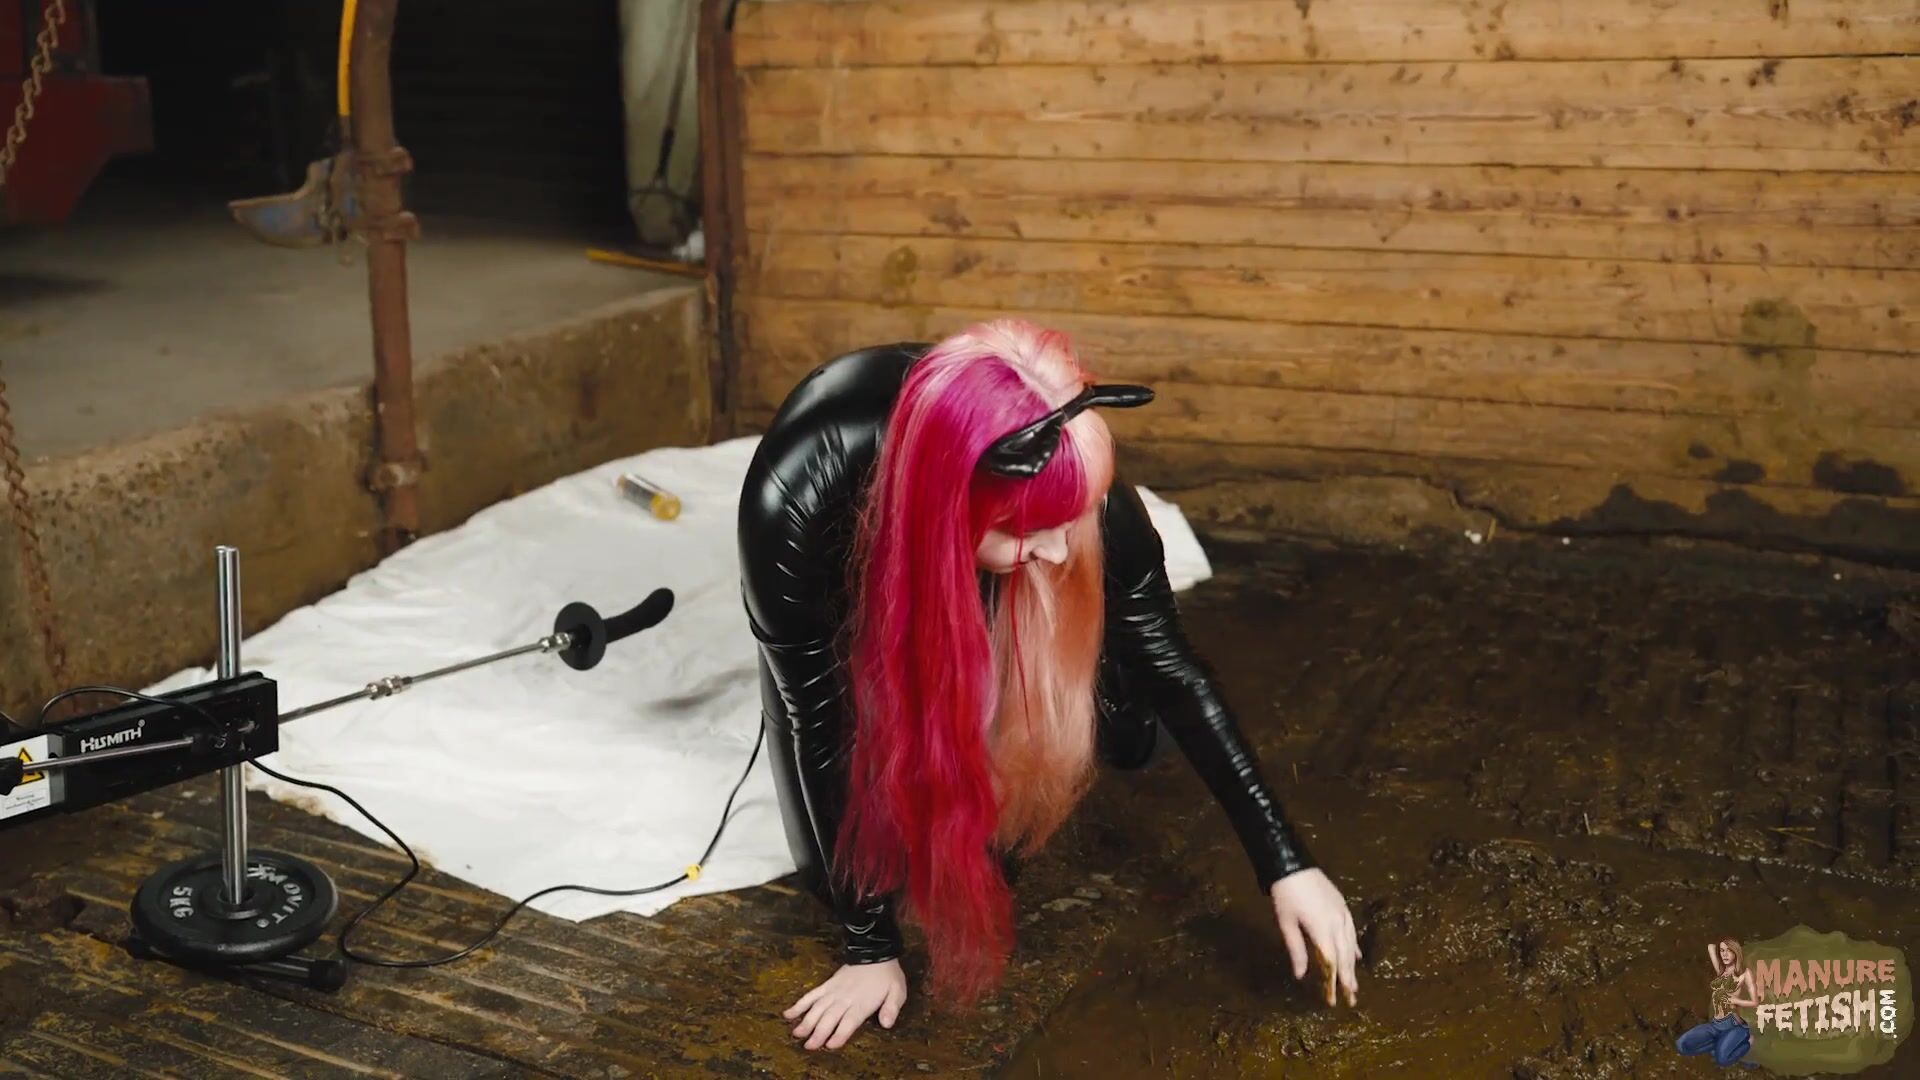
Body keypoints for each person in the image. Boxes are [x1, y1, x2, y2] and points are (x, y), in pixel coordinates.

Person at [737, 320, 1360, 1052]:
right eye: (1032, 528)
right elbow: (816, 722)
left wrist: (1286, 863)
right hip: (852, 536)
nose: (1062, 551)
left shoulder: (1068, 474)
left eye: (1068, 522)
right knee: (830, 871)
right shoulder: (793, 506)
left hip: (961, 532)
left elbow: (1172, 664)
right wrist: (869, 948)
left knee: (1128, 732)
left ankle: (1090, 689)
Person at [1675, 938, 1759, 1067]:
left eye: (1728, 951)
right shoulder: (1721, 971)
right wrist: (1722, 947)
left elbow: (1754, 1002)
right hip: (1716, 1024)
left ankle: (1747, 1043)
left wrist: (1735, 1000)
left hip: (1733, 1024)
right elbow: (1710, 947)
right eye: (1722, 951)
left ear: (1736, 952)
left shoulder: (1744, 974)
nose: (1724, 954)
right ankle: (1720, 1045)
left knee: (1722, 1060)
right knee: (1682, 1046)